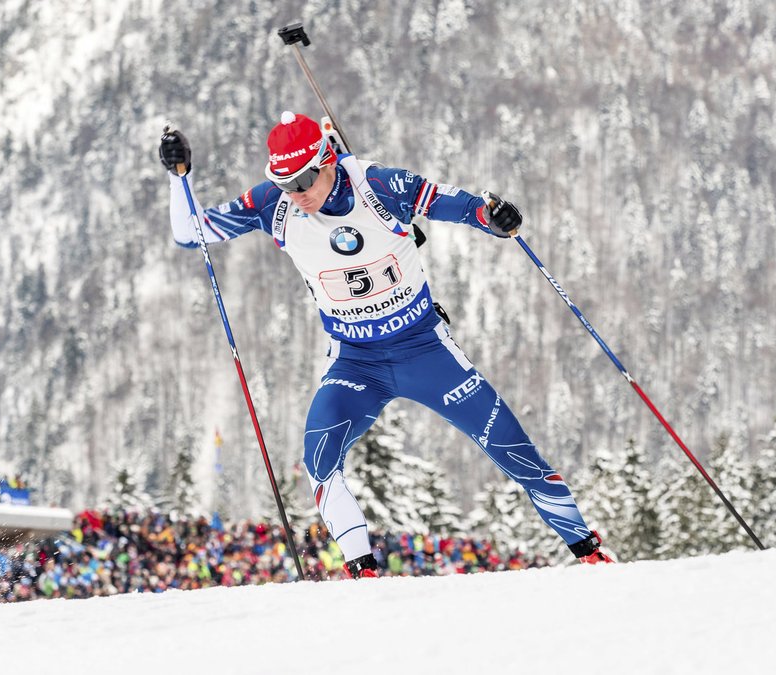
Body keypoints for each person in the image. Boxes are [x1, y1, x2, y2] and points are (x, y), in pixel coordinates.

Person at [160, 112, 613, 578]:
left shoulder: (381, 185)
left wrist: (494, 216)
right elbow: (189, 233)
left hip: (424, 349)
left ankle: (589, 552)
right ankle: (363, 573)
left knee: (510, 445)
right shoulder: (272, 205)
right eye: (285, 183)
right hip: (355, 363)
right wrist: (181, 179)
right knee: (319, 462)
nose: (298, 193)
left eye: (306, 179)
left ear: (327, 158)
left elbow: (457, 206)